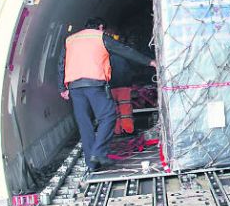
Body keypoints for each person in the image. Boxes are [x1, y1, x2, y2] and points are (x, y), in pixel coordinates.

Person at [58, 17, 156, 171]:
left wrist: (62, 88)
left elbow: (61, 64)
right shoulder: (100, 37)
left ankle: (92, 164)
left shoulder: (70, 40)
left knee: (84, 124)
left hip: (74, 87)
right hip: (94, 84)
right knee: (109, 116)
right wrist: (149, 62)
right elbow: (125, 51)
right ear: (101, 27)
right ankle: (99, 153)